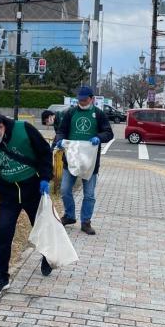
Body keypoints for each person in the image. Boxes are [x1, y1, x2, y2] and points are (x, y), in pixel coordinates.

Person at [0, 110, 54, 296]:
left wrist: (45, 177)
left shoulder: (24, 130)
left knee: (41, 227)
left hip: (33, 188)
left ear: (0, 127)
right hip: (8, 192)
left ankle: (47, 256)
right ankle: (1, 276)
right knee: (3, 233)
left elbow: (44, 152)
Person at [55, 86, 114, 236]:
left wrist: (99, 138)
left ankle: (86, 222)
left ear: (91, 99)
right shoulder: (71, 112)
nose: (82, 103)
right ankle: (69, 216)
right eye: (79, 100)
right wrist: (60, 140)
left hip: (90, 160)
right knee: (65, 189)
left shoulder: (99, 114)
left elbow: (109, 132)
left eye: (84, 100)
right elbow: (61, 130)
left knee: (89, 194)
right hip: (71, 158)